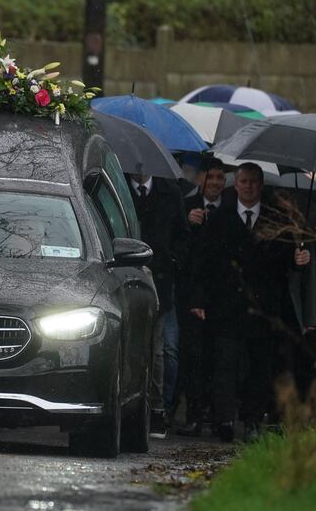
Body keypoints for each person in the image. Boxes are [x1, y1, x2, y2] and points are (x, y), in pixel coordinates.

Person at [189, 162, 311, 442]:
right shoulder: (221, 218)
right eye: (243, 182)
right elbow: (205, 261)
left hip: (263, 306)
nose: (248, 187)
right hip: (227, 305)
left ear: (261, 185)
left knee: (260, 366)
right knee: (226, 365)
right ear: (236, 185)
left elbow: (288, 262)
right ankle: (225, 419)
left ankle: (253, 419)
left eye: (254, 182)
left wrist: (299, 260)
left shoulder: (274, 221)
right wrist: (199, 299)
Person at [126, 172, 187, 438]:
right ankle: (130, 404)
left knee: (159, 350)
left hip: (159, 278)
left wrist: (171, 260)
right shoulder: (119, 185)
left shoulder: (169, 192)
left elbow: (181, 235)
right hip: (125, 274)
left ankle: (157, 408)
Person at [177, 156, 227, 436]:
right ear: (200, 180)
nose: (216, 184)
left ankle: (213, 411)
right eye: (211, 178)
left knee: (216, 357)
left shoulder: (229, 210)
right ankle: (193, 412)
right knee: (192, 357)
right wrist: (190, 223)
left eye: (221, 178)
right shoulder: (188, 207)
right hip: (191, 295)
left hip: (220, 297)